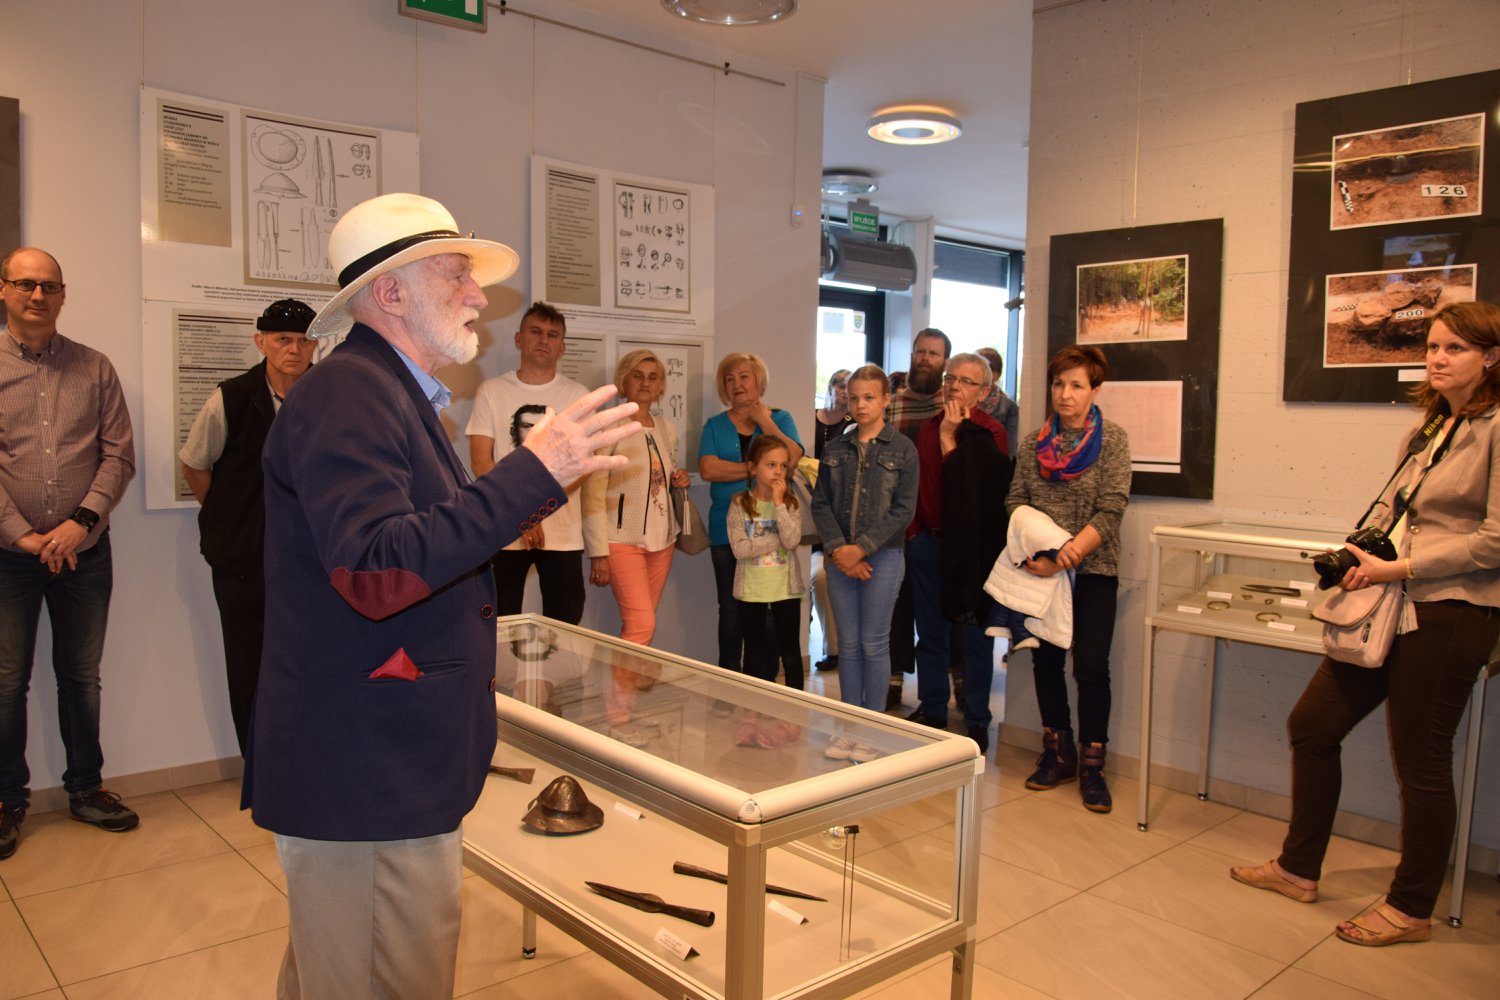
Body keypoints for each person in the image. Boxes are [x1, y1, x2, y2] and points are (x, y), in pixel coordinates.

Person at [243, 193, 640, 998]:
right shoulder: (350, 393)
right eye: (456, 274)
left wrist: (532, 478)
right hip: (368, 771)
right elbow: (377, 569)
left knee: (334, 973)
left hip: (380, 762)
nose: (478, 296)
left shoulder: (385, 392)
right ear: (390, 292)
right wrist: (533, 472)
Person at [1230, 301, 1500, 947]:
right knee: (1312, 726)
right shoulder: (1432, 425)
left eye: (1455, 348)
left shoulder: (1495, 428)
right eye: (1432, 347)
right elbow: (1397, 511)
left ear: (1491, 358)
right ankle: (1298, 868)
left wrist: (1399, 566)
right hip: (1393, 600)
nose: (1437, 359)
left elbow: (1494, 541)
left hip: (1454, 609)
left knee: (1421, 760)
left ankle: (1411, 908)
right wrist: (1362, 558)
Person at [0, 247, 138, 861]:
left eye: (49, 286)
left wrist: (80, 525)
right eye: (26, 284)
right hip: (9, 555)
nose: (38, 295)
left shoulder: (95, 367)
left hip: (85, 552)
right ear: (4, 289)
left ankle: (86, 790)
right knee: (6, 681)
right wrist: (21, 534)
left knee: (81, 677)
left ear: (63, 294)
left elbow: (118, 454)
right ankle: (7, 800)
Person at [179, 298, 317, 756]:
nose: (294, 350)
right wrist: (231, 516)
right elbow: (195, 464)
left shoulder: (329, 397)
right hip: (244, 564)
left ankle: (307, 764)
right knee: (249, 669)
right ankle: (258, 769)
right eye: (283, 340)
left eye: (304, 341)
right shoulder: (231, 399)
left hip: (311, 562)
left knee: (310, 665)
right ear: (261, 342)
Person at [1007, 344, 1131, 813]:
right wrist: (1043, 553)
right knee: (1046, 661)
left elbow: (1112, 508)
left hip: (1094, 569)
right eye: (1059, 384)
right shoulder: (1032, 444)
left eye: (1077, 385)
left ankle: (1093, 766)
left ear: (1094, 390)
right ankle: (1058, 753)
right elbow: (1016, 501)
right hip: (1042, 569)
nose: (1065, 394)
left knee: (1092, 667)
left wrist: (1065, 557)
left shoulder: (1113, 440)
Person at [905, 353, 1012, 753]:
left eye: (966, 381)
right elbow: (920, 486)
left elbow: (977, 493)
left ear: (983, 392)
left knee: (974, 640)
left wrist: (951, 436)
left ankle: (977, 720)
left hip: (971, 553)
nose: (954, 386)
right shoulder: (927, 428)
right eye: (951, 378)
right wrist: (915, 535)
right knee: (930, 633)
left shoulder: (991, 432)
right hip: (928, 544)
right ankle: (933, 708)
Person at [812, 365, 918, 752]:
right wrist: (841, 549)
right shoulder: (836, 448)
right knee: (849, 644)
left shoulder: (903, 450)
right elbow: (821, 503)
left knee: (873, 643)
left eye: (869, 397)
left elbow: (903, 510)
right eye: (854, 398)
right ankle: (849, 726)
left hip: (883, 557)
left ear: (886, 400)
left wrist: (863, 548)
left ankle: (872, 730)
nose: (860, 405)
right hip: (840, 557)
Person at [467, 302, 590, 623]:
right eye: (536, 331)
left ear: (562, 347)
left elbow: (582, 466)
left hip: (562, 534)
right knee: (499, 626)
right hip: (503, 531)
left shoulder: (578, 396)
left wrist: (536, 509)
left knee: (565, 626)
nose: (543, 340)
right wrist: (521, 514)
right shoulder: (492, 391)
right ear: (519, 339)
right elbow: (481, 461)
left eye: (552, 334)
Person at [698, 353, 804, 681]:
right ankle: (730, 681)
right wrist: (755, 470)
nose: (737, 384)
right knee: (731, 611)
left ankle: (765, 682)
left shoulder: (780, 418)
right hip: (727, 531)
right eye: (729, 379)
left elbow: (793, 458)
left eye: (744, 376)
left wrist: (765, 422)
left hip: (776, 526)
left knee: (770, 613)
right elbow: (708, 468)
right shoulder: (715, 425)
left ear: (759, 380)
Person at [582, 349, 690, 645]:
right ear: (623, 381)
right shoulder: (609, 426)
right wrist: (598, 551)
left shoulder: (666, 428)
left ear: (661, 386)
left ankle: (630, 676)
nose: (645, 382)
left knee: (641, 629)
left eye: (653, 377)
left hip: (662, 541)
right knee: (642, 626)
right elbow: (592, 492)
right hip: (620, 541)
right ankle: (624, 678)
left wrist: (678, 478)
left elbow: (660, 473)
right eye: (637, 375)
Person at [886, 328, 952, 709]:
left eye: (934, 354)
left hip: (938, 521)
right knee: (897, 602)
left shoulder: (952, 406)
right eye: (920, 352)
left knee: (940, 610)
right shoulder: (893, 405)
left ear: (945, 362)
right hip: (896, 520)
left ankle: (950, 682)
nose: (925, 359)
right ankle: (893, 677)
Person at [726, 435, 806, 689]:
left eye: (783, 466)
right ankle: (753, 706)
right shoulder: (740, 504)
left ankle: (795, 705)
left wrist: (779, 504)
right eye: (771, 465)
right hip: (752, 591)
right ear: (753, 468)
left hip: (785, 590)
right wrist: (776, 540)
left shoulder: (790, 504)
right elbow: (740, 549)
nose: (778, 472)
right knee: (753, 655)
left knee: (791, 654)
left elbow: (792, 541)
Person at [811, 368, 852, 672]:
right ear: (830, 387)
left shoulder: (853, 427)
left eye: (849, 387)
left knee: (823, 577)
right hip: (806, 507)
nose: (844, 391)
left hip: (835, 517)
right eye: (840, 384)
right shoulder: (810, 417)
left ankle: (835, 650)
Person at [976, 346, 1020, 459]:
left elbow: (1010, 448)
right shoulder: (963, 400)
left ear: (998, 375)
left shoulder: (1009, 407)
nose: (983, 374)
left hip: (993, 461)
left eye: (989, 369)